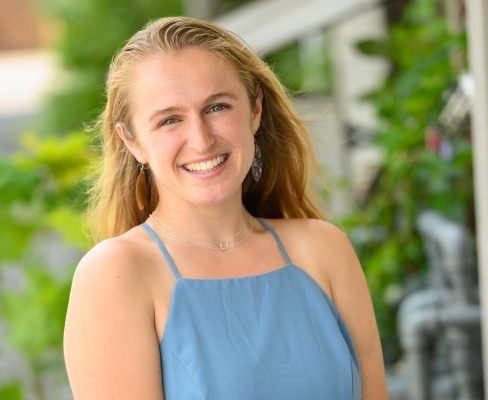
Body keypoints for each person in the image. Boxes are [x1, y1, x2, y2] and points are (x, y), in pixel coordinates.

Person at [63, 16, 388, 400]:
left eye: (217, 107)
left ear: (255, 110)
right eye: (170, 120)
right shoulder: (117, 275)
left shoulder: (324, 250)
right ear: (133, 142)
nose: (201, 140)